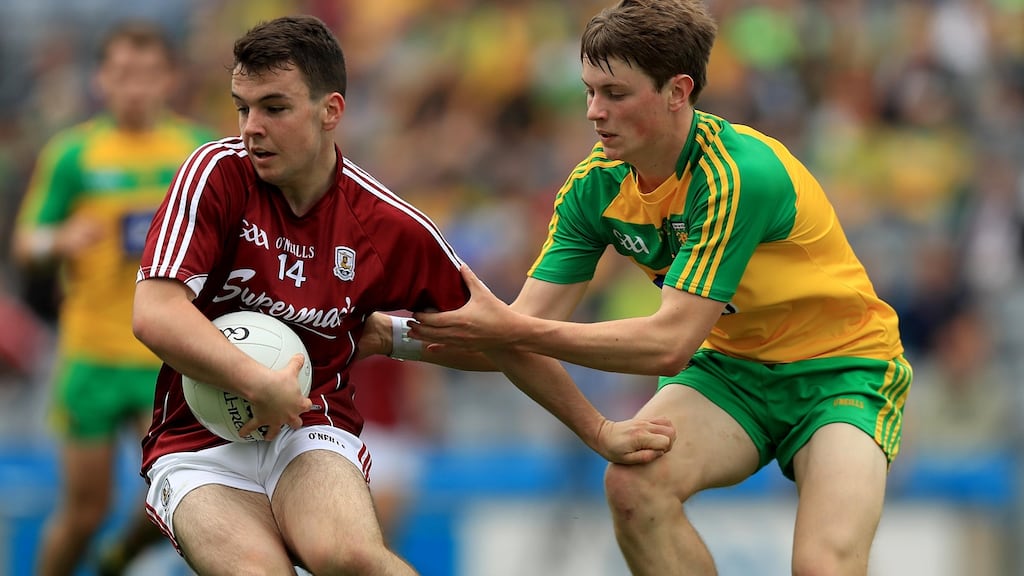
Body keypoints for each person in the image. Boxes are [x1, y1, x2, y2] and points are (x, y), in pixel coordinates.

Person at [130, 15, 674, 575]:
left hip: (310, 426)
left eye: (275, 107)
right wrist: (256, 382)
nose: (251, 127)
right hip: (197, 442)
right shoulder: (214, 175)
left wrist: (599, 429)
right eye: (243, 107)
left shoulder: (390, 226)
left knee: (353, 558)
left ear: (331, 111)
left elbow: (499, 342)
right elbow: (154, 314)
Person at [384, 1, 913, 574]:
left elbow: (666, 344)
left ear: (677, 91)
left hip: (840, 369)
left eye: (615, 94)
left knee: (822, 565)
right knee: (635, 487)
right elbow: (514, 341)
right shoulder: (594, 188)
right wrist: (387, 336)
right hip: (730, 373)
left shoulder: (738, 174)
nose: (593, 112)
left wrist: (514, 329)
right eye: (588, 91)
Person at [10, 20, 213, 576]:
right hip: (91, 353)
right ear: (101, 79)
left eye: (148, 74)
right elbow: (26, 242)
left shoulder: (197, 151)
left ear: (170, 79)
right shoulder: (75, 154)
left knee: (179, 501)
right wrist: (61, 238)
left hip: (170, 357)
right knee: (83, 510)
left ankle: (119, 558)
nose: (135, 87)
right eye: (122, 74)